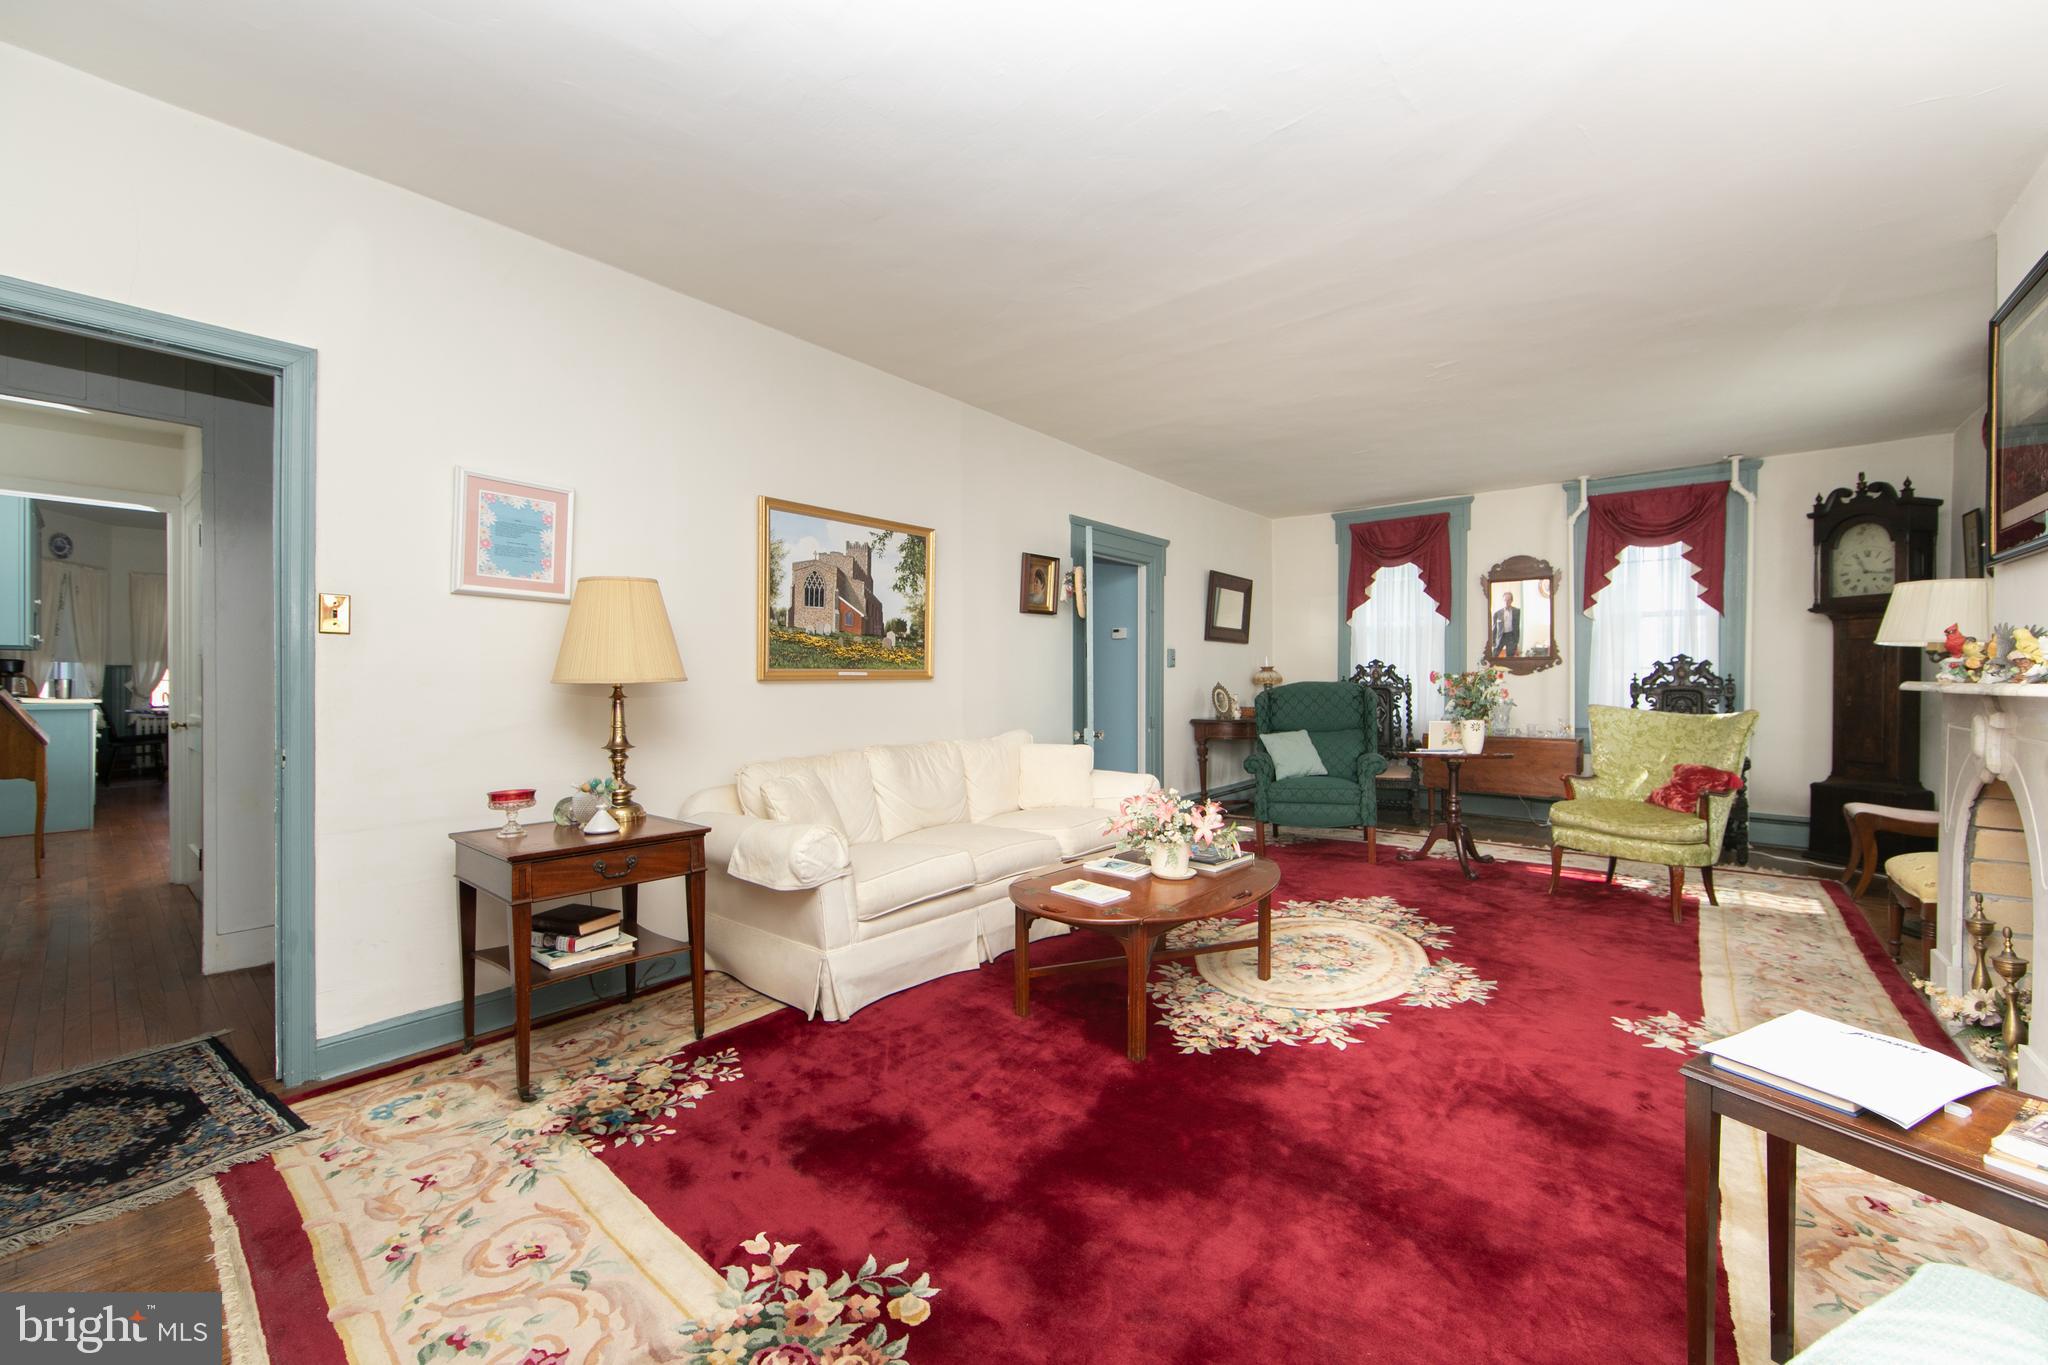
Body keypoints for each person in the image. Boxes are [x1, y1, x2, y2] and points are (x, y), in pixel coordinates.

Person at [1491, 590, 1522, 657]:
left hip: (1511, 636)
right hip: (1501, 636)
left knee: (1510, 657)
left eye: (1508, 600)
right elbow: (1494, 628)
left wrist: (1516, 641)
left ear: (1511, 601)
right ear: (1502, 600)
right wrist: (1493, 641)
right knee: (1494, 655)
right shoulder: (1497, 613)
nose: (1506, 602)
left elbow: (1518, 626)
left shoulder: (1517, 612)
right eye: (1505, 600)